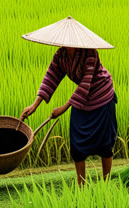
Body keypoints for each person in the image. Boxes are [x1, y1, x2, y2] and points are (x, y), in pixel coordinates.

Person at [20, 17, 117, 186]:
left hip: (102, 96)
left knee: (105, 142)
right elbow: (51, 78)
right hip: (82, 100)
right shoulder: (60, 55)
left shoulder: (90, 53)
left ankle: (106, 181)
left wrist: (64, 108)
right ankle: (81, 184)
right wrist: (35, 104)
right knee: (77, 143)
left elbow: (85, 84)